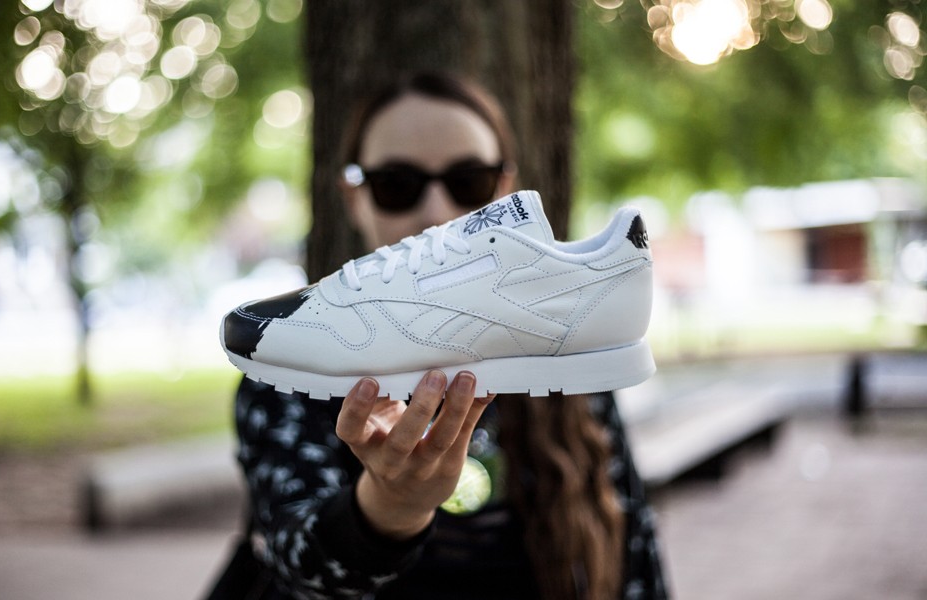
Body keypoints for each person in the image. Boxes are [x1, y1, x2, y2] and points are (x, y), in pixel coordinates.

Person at [221, 72, 668, 600]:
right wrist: (389, 509)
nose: (435, 213)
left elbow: (636, 565)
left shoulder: (571, 353)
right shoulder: (293, 368)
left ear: (504, 192)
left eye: (468, 182)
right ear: (354, 198)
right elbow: (297, 565)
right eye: (396, 185)